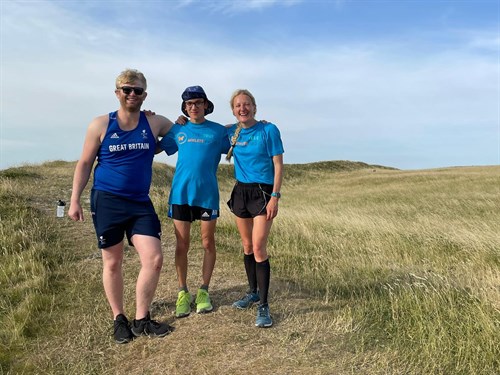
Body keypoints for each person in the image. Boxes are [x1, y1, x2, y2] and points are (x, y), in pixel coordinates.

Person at [68, 68, 175, 344]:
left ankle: (141, 319)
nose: (131, 94)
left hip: (140, 202)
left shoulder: (154, 122)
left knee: (153, 259)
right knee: (113, 262)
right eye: (126, 89)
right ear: (117, 93)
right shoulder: (101, 124)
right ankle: (119, 318)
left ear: (144, 95)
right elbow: (84, 163)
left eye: (137, 90)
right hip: (107, 201)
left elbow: (184, 133)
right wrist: (74, 199)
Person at [158, 86, 230, 318]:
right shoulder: (178, 129)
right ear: (184, 107)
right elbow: (157, 147)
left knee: (208, 243)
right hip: (180, 195)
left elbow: (240, 135)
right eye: (189, 104)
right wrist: (150, 120)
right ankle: (182, 292)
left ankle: (204, 291)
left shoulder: (218, 131)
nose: (194, 107)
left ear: (206, 105)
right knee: (182, 245)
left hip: (207, 196)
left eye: (198, 102)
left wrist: (260, 124)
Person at [226, 89, 284, 328]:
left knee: (259, 247)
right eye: (238, 105)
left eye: (247, 104)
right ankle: (251, 292)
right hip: (241, 191)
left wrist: (274, 197)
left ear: (254, 107)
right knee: (247, 245)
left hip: (262, 192)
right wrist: (181, 121)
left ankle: (264, 304)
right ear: (233, 110)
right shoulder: (231, 132)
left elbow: (278, 165)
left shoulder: (268, 130)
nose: (243, 108)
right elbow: (205, 131)